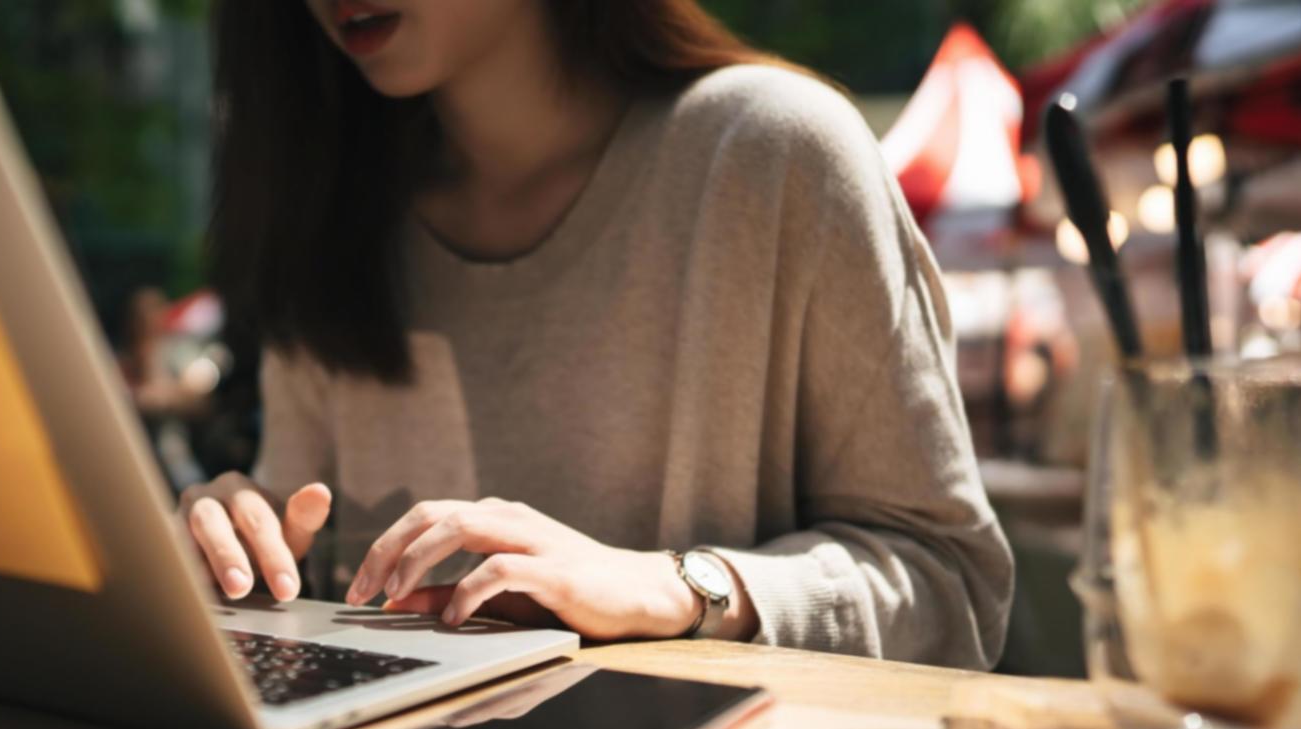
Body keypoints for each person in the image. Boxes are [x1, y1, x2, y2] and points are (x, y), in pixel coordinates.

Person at [179, 0, 1014, 669]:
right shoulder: (323, 213)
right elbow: (315, 570)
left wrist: (681, 588)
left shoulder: (772, 155)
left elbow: (951, 586)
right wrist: (235, 562)